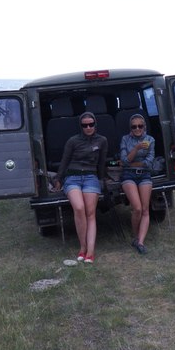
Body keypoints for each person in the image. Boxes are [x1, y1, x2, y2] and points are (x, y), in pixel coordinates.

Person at [53, 112, 108, 263]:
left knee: (90, 213)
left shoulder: (102, 140)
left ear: (95, 124)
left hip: (91, 177)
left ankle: (90, 252)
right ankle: (82, 247)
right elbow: (65, 161)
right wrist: (58, 179)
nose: (88, 127)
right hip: (72, 177)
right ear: (81, 126)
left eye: (91, 124)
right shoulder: (73, 141)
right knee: (78, 208)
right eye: (85, 125)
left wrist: (102, 180)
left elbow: (102, 162)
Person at [119, 114, 155, 254]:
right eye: (134, 126)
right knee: (137, 208)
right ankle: (136, 235)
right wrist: (136, 148)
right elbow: (124, 161)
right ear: (130, 128)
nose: (137, 129)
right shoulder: (125, 139)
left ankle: (140, 242)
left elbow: (149, 162)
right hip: (128, 175)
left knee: (145, 209)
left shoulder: (150, 140)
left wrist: (131, 163)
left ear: (144, 127)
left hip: (144, 174)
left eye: (140, 126)